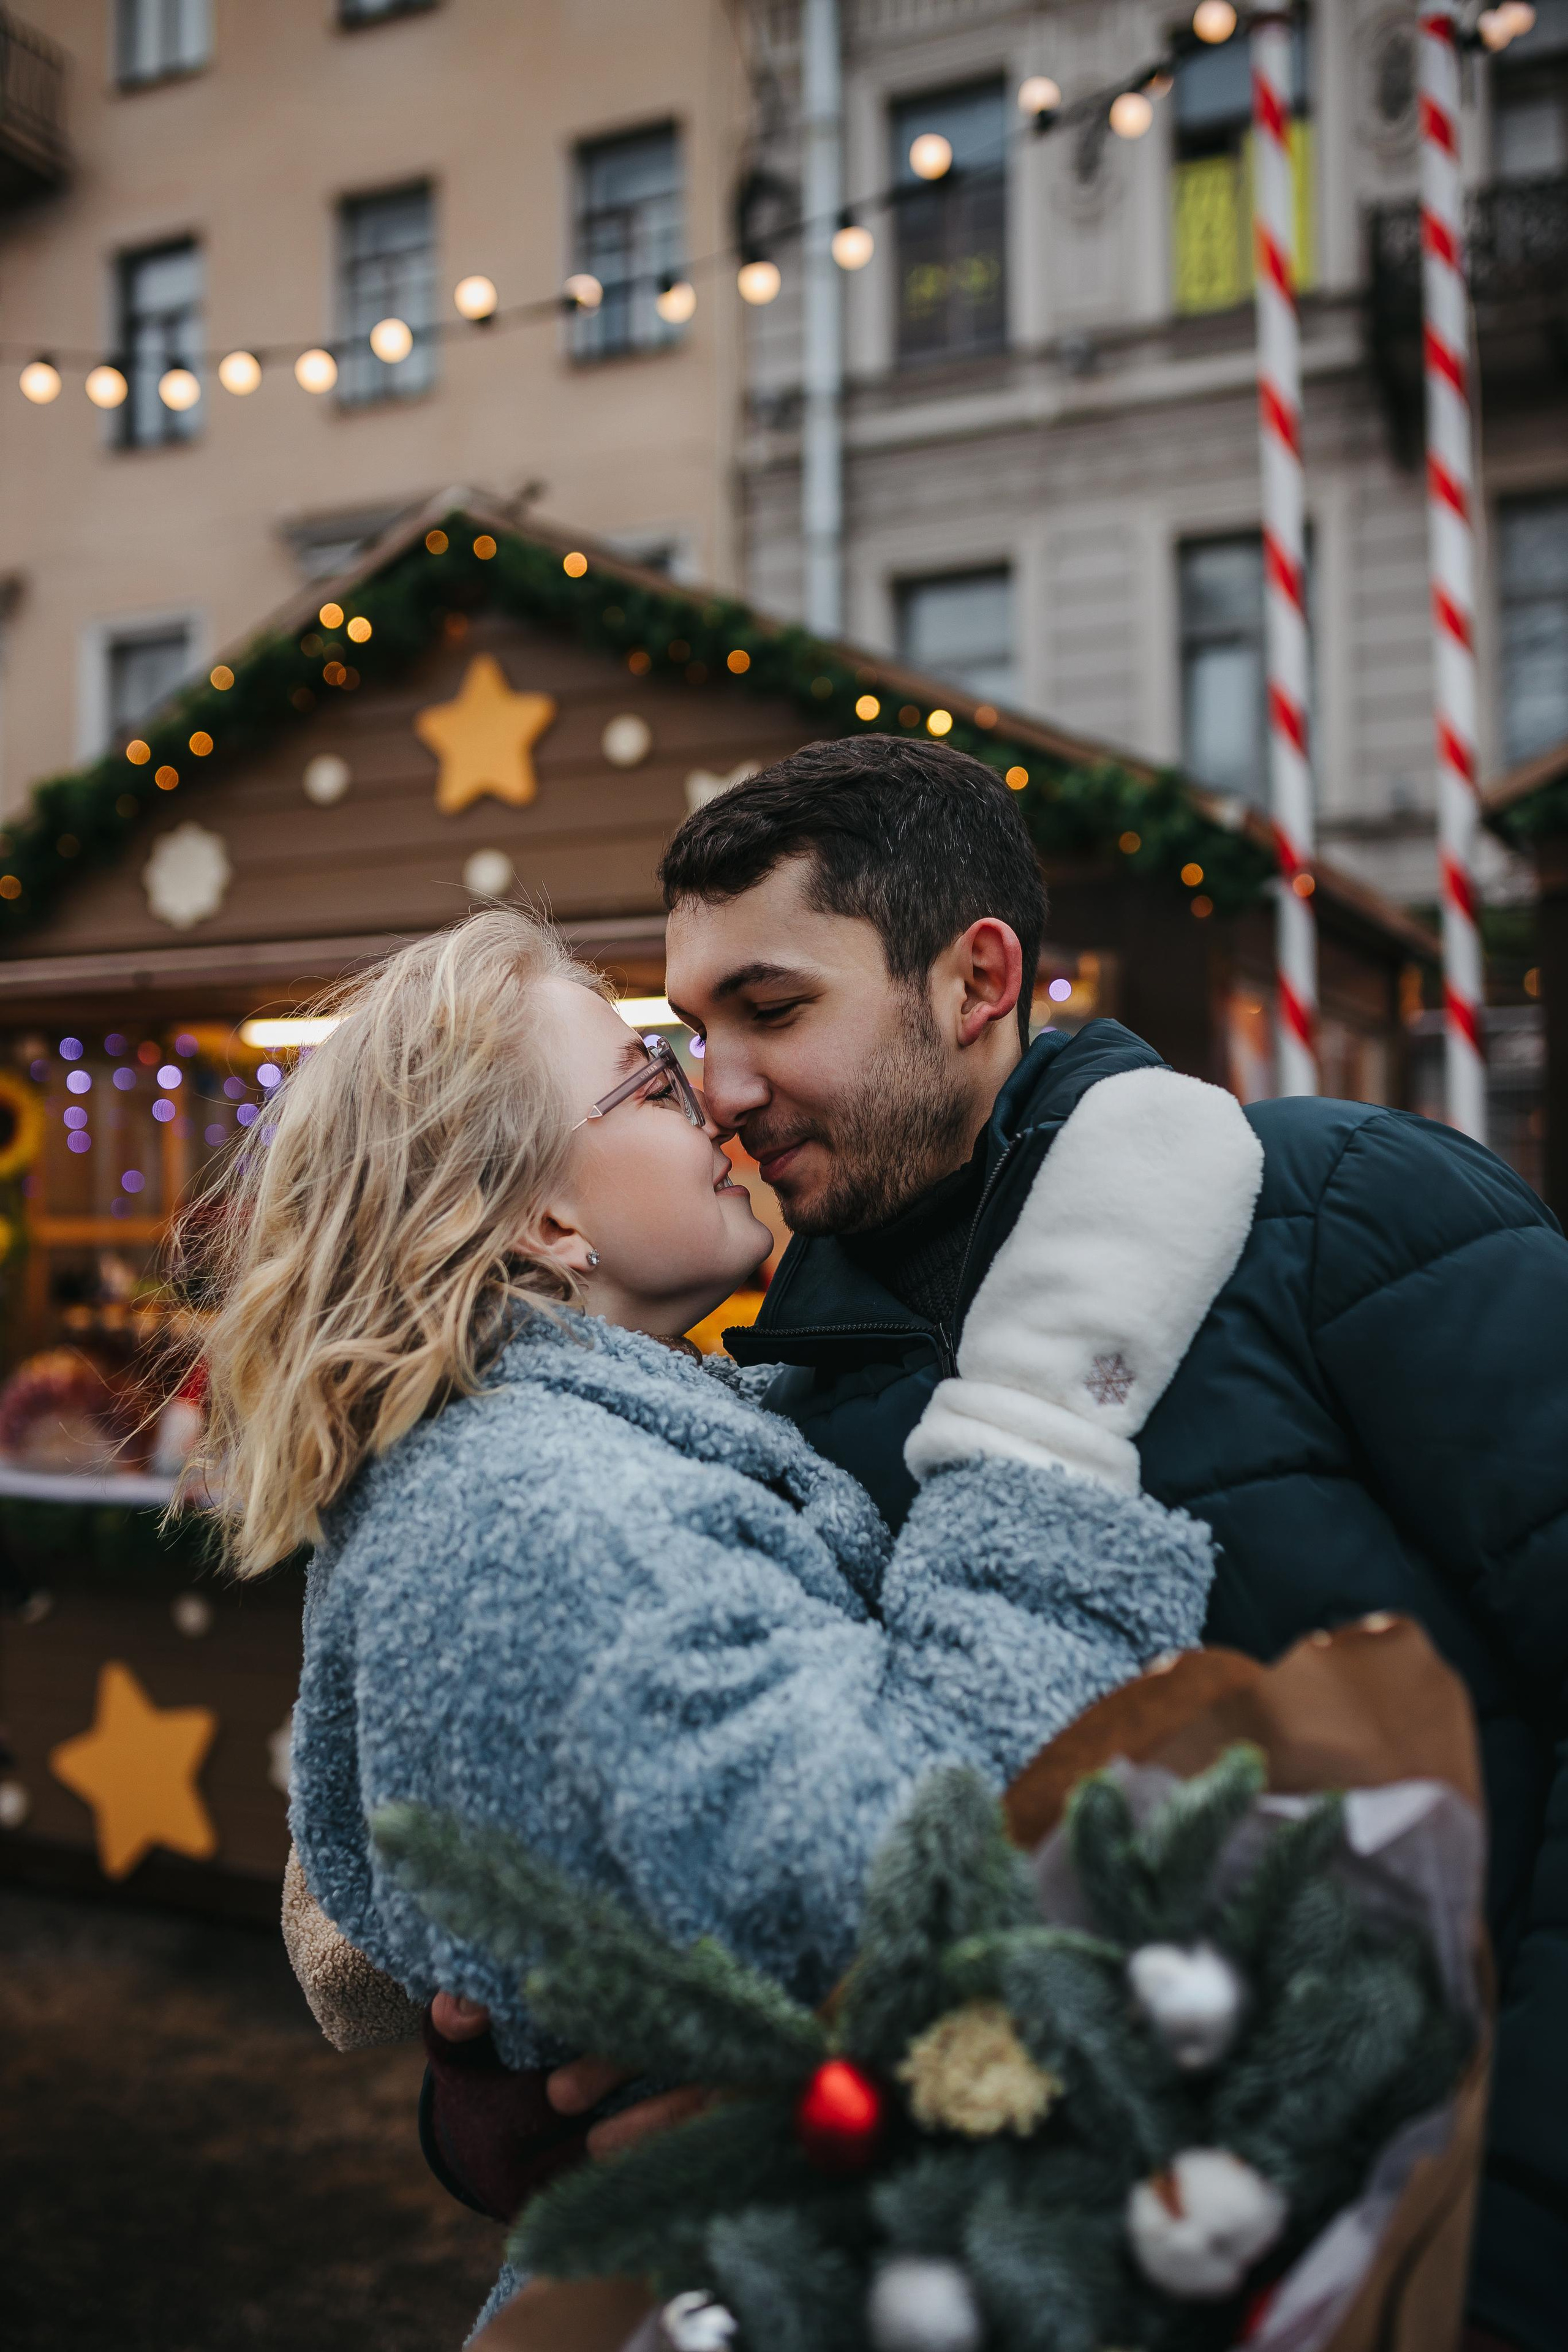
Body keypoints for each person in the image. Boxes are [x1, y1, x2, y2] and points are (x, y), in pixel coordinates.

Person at [434, 737, 1568, 2352]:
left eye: (771, 1010)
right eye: (693, 1034)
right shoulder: (766, 1429)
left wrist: (1518, 2237)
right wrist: (517, 2100)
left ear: (974, 981)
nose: (726, 1088)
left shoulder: (1341, 1217)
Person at [205, 908, 1235, 2334]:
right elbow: (910, 1884)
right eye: (652, 1079)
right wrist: (1039, 1449)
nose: (718, 1108)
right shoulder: (537, 1508)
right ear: (544, 1219)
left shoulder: (627, 1433)